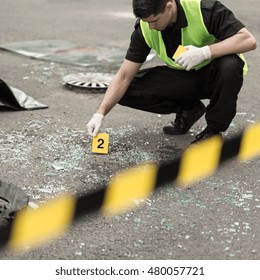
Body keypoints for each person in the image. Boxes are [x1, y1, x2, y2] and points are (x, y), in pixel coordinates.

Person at [87, 0, 256, 144]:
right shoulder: (145, 28)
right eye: (146, 22)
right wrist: (100, 113)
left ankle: (213, 130)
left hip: (215, 76)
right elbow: (124, 76)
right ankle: (189, 109)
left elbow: (248, 39)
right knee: (121, 90)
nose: (151, 27)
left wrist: (205, 52)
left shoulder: (203, 9)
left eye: (154, 21)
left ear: (169, 6)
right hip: (184, 77)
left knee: (230, 65)